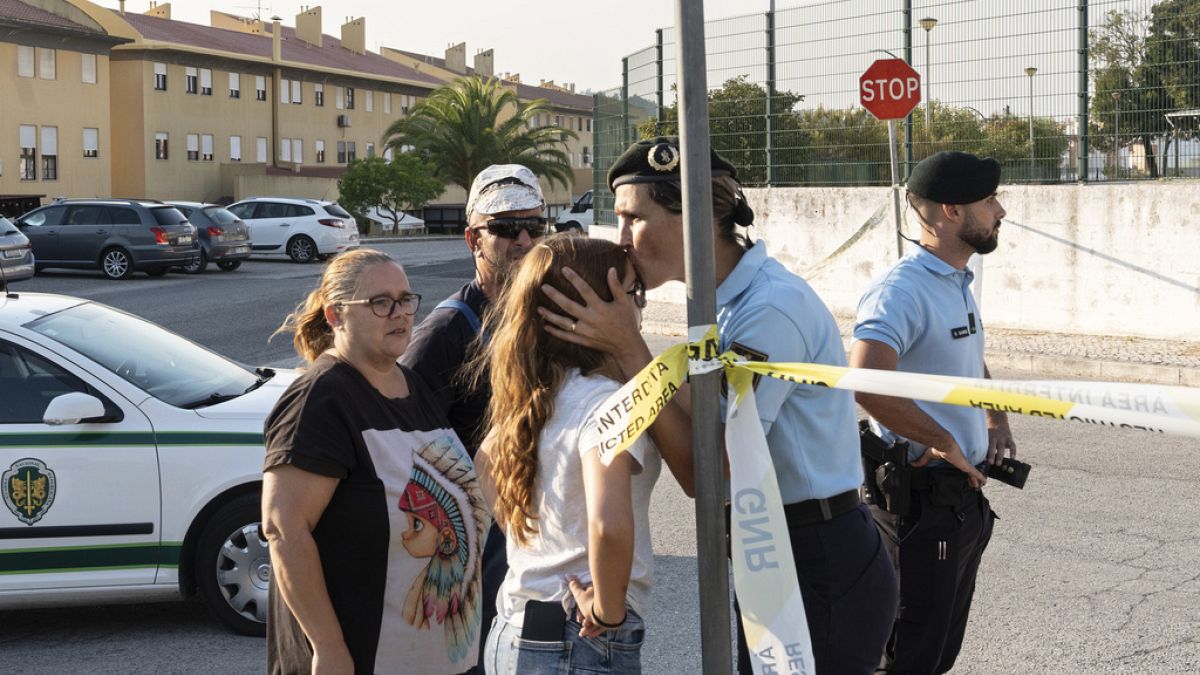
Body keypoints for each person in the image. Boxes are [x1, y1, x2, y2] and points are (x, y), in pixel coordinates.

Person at [540, 137, 897, 674]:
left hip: (816, 553)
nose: (621, 240)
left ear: (696, 214)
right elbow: (692, 418)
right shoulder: (719, 302)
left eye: (633, 218)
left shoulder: (768, 310)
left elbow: (710, 473)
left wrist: (629, 350)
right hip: (776, 548)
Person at [262, 248, 488, 675]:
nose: (400, 313)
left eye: (405, 300)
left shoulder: (412, 387)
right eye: (380, 302)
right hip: (361, 658)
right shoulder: (321, 399)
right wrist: (328, 647)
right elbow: (284, 529)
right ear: (335, 315)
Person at [849, 150, 1016, 674]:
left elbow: (965, 355)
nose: (1000, 211)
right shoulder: (900, 291)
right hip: (918, 504)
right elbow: (867, 384)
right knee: (904, 655)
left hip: (960, 498)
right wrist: (944, 441)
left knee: (938, 653)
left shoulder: (955, 279)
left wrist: (995, 417)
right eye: (989, 201)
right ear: (951, 211)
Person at [478, 235, 659, 674]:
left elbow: (485, 461)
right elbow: (608, 525)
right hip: (578, 636)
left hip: (512, 629)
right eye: (634, 292)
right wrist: (608, 611)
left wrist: (542, 545)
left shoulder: (533, 394)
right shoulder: (607, 403)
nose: (640, 306)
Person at [400, 164, 549, 673]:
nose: (523, 240)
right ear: (473, 239)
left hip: (534, 529)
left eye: (535, 226)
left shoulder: (547, 312)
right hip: (478, 541)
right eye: (506, 229)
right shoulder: (445, 331)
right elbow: (405, 447)